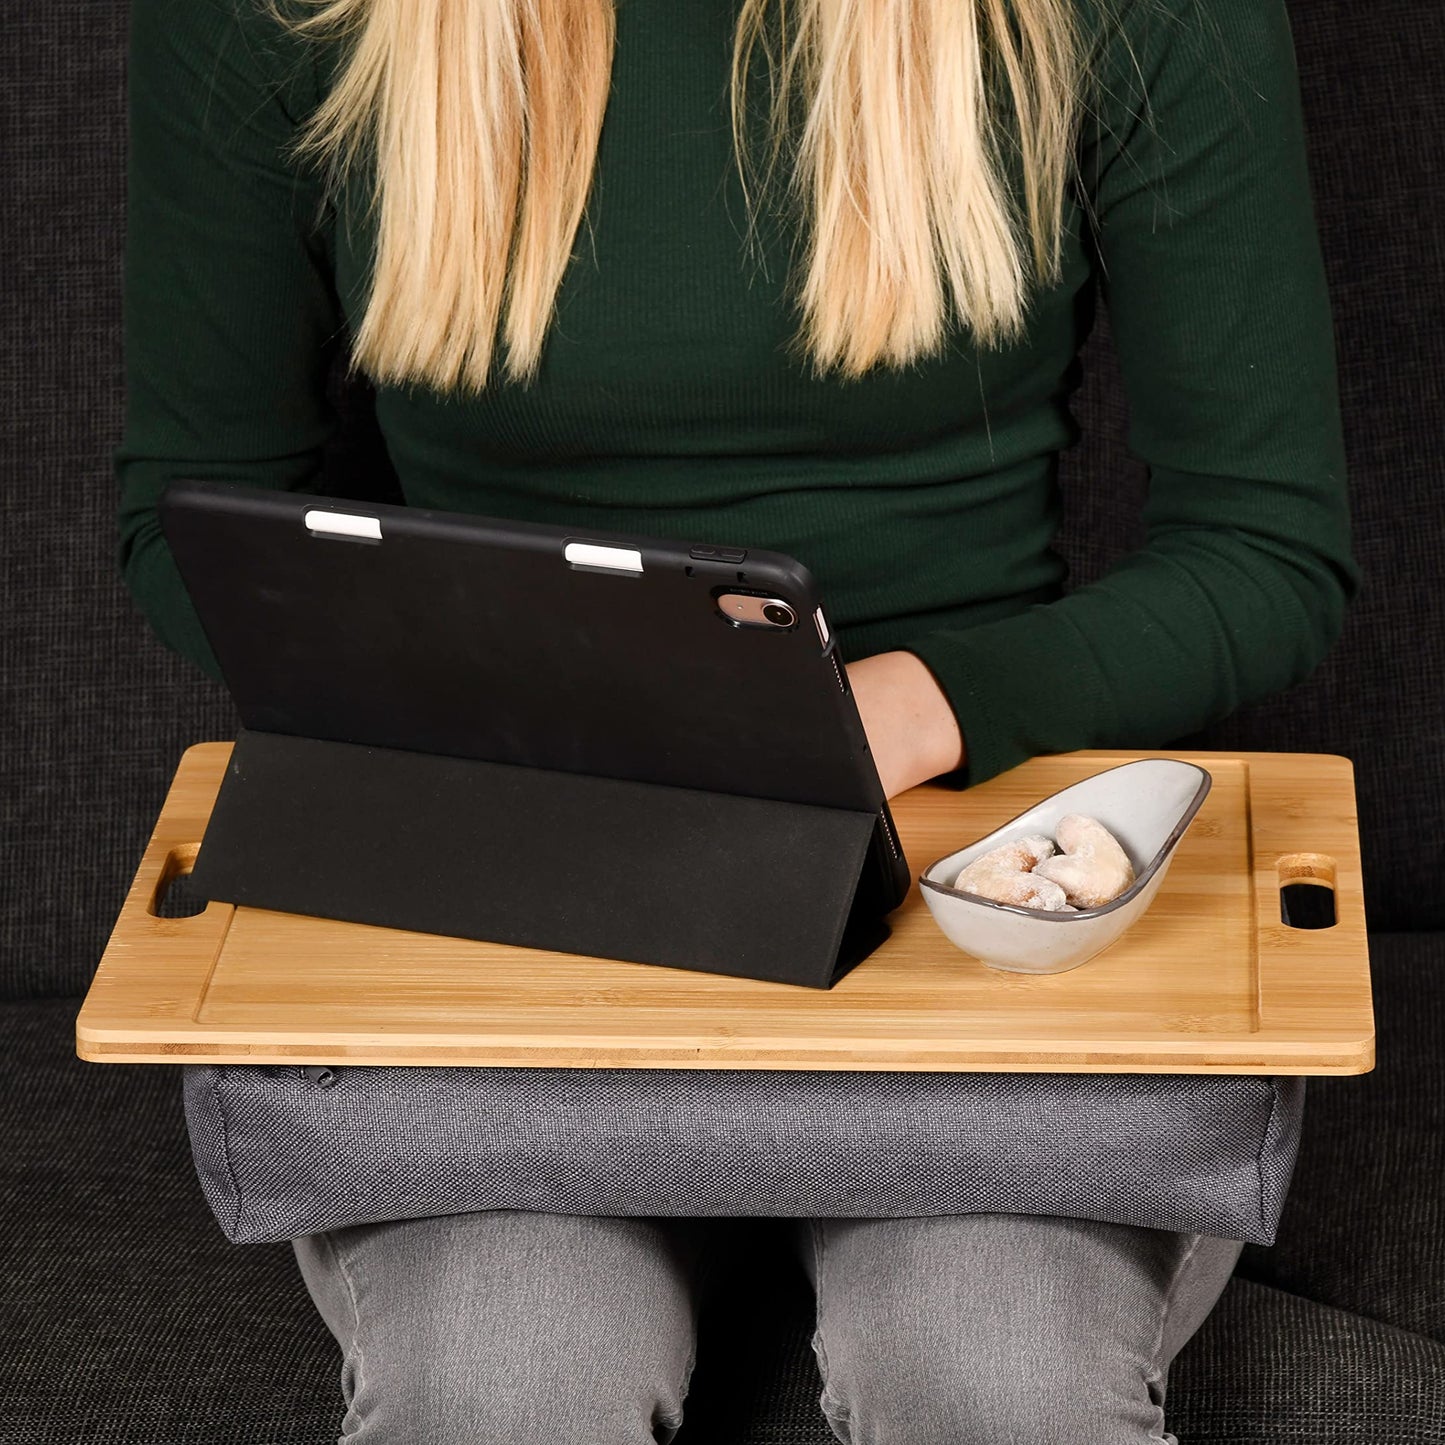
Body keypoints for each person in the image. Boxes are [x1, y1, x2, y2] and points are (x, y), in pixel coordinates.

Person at [114, 0, 1357, 1439]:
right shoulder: (281, 19)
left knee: (995, 1381)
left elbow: (1266, 549)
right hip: (510, 890)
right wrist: (553, 716)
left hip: (956, 871)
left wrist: (911, 710)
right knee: (504, 1389)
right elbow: (189, 524)